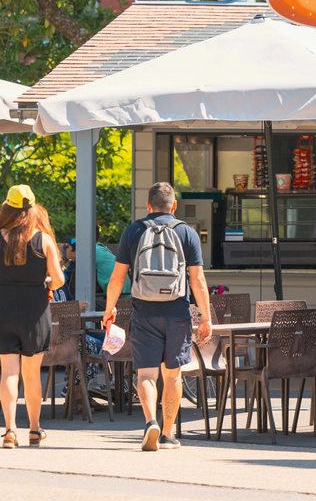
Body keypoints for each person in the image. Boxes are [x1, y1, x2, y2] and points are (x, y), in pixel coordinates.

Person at [102, 182, 212, 452]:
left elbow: (117, 278)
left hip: (144, 312)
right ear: (174, 206)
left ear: (148, 206)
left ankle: (150, 421)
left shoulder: (134, 231)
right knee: (172, 376)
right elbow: (197, 280)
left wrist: (109, 308)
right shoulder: (187, 232)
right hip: (178, 313)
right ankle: (167, 434)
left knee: (146, 375)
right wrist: (206, 317)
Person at [0, 184, 66, 449]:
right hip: (34, 311)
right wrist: (48, 282)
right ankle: (35, 430)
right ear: (32, 209)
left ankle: (10, 430)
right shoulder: (44, 239)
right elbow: (60, 280)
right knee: (31, 374)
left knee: (9, 371)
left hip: (2, 309)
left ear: (7, 207)